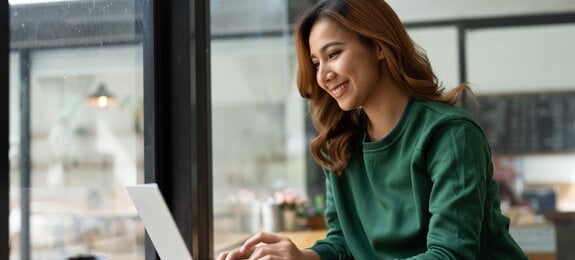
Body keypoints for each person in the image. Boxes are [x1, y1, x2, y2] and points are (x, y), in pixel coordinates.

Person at [218, 0, 528, 259]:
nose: (323, 75)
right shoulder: (339, 144)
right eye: (315, 63)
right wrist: (303, 257)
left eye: (333, 54)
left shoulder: (450, 135)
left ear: (378, 46)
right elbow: (344, 242)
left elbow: (449, 255)